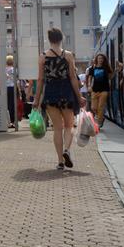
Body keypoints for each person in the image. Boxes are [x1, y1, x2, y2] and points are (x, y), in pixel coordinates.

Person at [33, 27, 85, 171]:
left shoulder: (42, 56)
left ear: (49, 40)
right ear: (61, 38)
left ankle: (60, 162)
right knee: (69, 126)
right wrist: (80, 97)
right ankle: (67, 150)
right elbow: (73, 78)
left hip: (50, 94)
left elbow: (40, 79)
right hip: (66, 93)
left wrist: (36, 100)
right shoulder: (68, 55)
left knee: (57, 128)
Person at [87, 53, 113, 127]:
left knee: (101, 106)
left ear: (104, 60)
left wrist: (116, 71)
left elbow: (110, 77)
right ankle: (102, 118)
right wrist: (89, 85)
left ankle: (98, 123)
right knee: (93, 108)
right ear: (96, 59)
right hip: (94, 90)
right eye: (99, 58)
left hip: (104, 90)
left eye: (102, 58)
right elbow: (90, 77)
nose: (100, 60)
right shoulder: (93, 68)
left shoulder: (106, 68)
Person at [5, 55, 16, 128]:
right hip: (12, 88)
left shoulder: (4, 69)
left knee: (6, 105)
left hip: (5, 88)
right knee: (12, 105)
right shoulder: (14, 69)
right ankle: (13, 121)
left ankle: (7, 121)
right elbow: (16, 80)